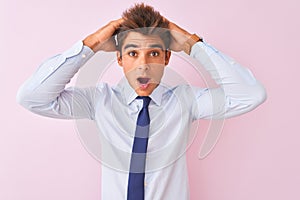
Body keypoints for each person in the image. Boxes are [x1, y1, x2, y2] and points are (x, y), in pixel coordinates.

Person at [17, 3, 266, 200]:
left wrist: (192, 44)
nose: (143, 65)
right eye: (133, 53)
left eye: (154, 53)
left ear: (167, 58)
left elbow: (251, 94)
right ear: (119, 59)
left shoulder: (187, 100)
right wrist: (90, 45)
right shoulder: (99, 100)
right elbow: (33, 98)